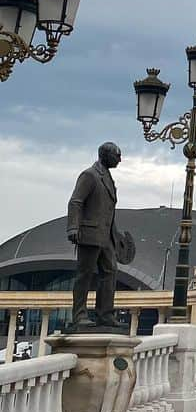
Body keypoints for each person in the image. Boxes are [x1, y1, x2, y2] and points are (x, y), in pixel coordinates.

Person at [67, 142, 124, 331]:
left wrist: (116, 237)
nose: (120, 159)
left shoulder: (107, 177)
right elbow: (76, 201)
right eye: (117, 155)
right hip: (89, 234)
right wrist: (73, 227)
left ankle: (105, 314)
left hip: (106, 237)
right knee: (85, 274)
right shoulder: (90, 175)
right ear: (105, 155)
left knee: (110, 272)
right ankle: (79, 315)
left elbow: (109, 212)